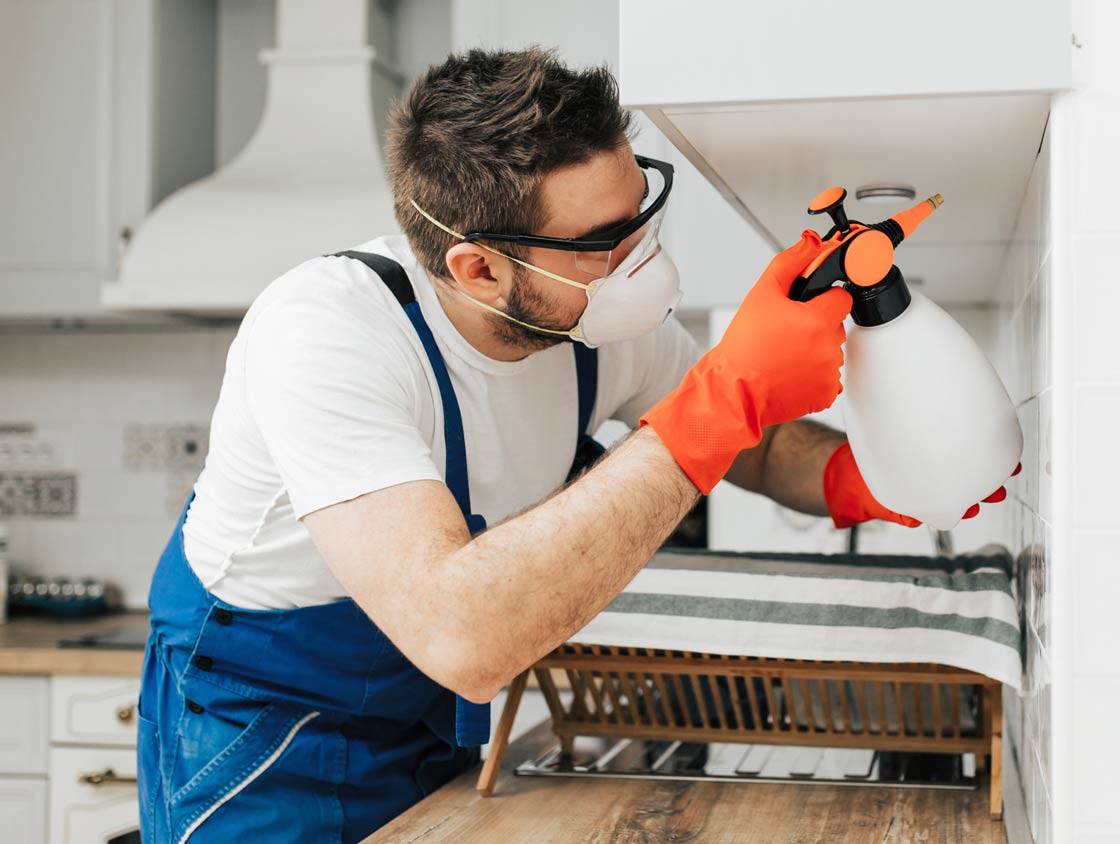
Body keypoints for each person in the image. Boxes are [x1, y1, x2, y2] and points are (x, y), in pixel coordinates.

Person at [135, 47, 1007, 843]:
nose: (642, 258)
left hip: (432, 722)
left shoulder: (597, 324)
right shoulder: (327, 332)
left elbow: (761, 445)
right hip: (264, 728)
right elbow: (460, 635)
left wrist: (872, 479)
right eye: (602, 243)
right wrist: (721, 396)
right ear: (479, 268)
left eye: (641, 212)